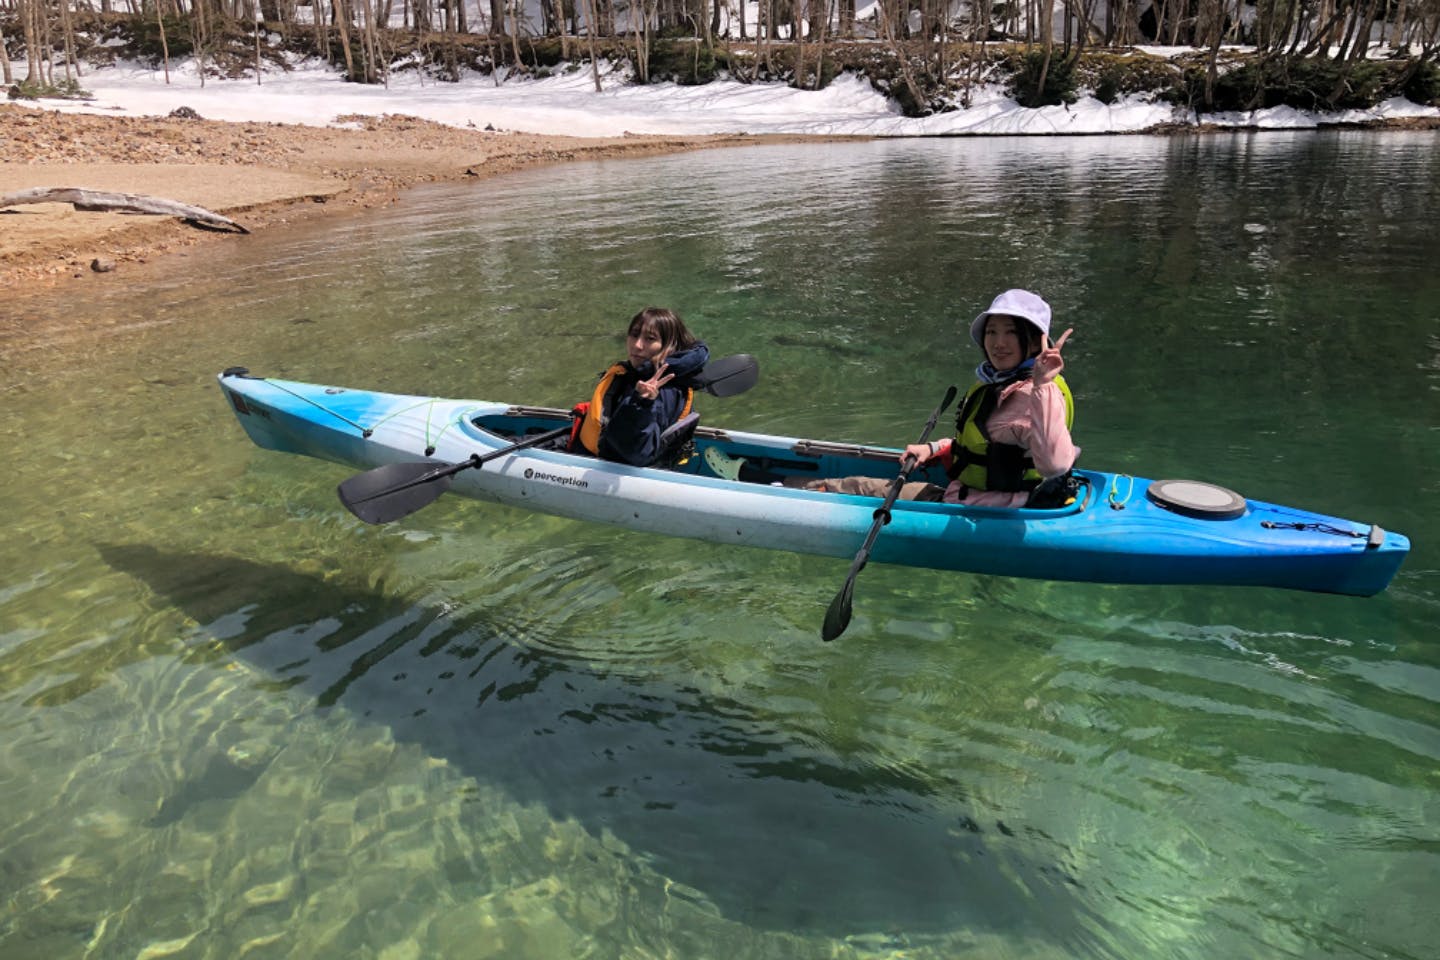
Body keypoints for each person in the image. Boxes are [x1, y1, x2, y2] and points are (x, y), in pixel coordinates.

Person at [706, 288, 1078, 507]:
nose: (998, 342)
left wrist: (1043, 383)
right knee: (870, 469)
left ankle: (756, 484)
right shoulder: (1004, 383)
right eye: (992, 332)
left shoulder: (1034, 392)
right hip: (980, 492)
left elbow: (1055, 466)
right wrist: (934, 449)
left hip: (975, 505)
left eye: (1010, 332)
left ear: (1032, 339)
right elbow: (991, 443)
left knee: (855, 486)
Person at [570, 307, 710, 467]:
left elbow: (637, 454)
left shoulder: (661, 389)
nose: (637, 345)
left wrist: (641, 403)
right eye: (634, 335)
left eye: (650, 339)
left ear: (669, 345)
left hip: (609, 469)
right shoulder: (641, 374)